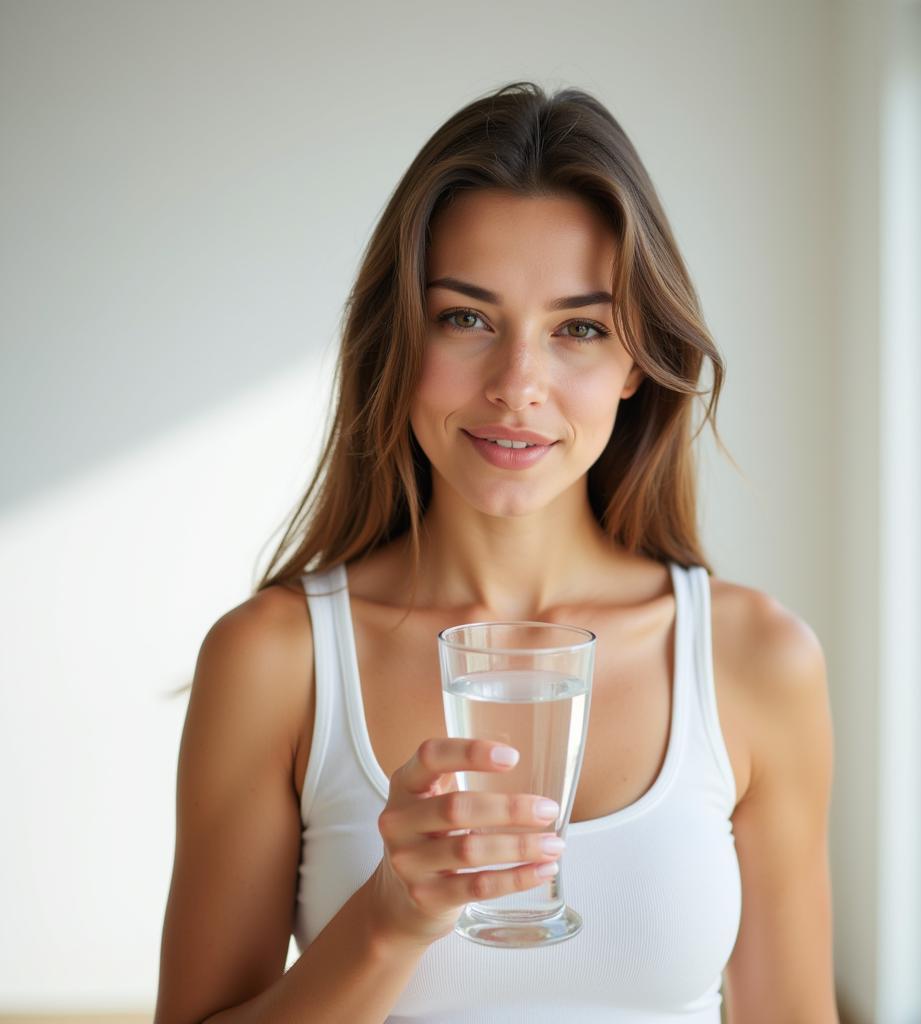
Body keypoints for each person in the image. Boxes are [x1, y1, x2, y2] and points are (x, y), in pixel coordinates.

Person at [155, 81, 839, 1023]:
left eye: (579, 329)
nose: (519, 385)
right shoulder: (276, 661)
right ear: (401, 334)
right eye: (467, 318)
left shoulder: (758, 661)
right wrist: (390, 921)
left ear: (638, 359)